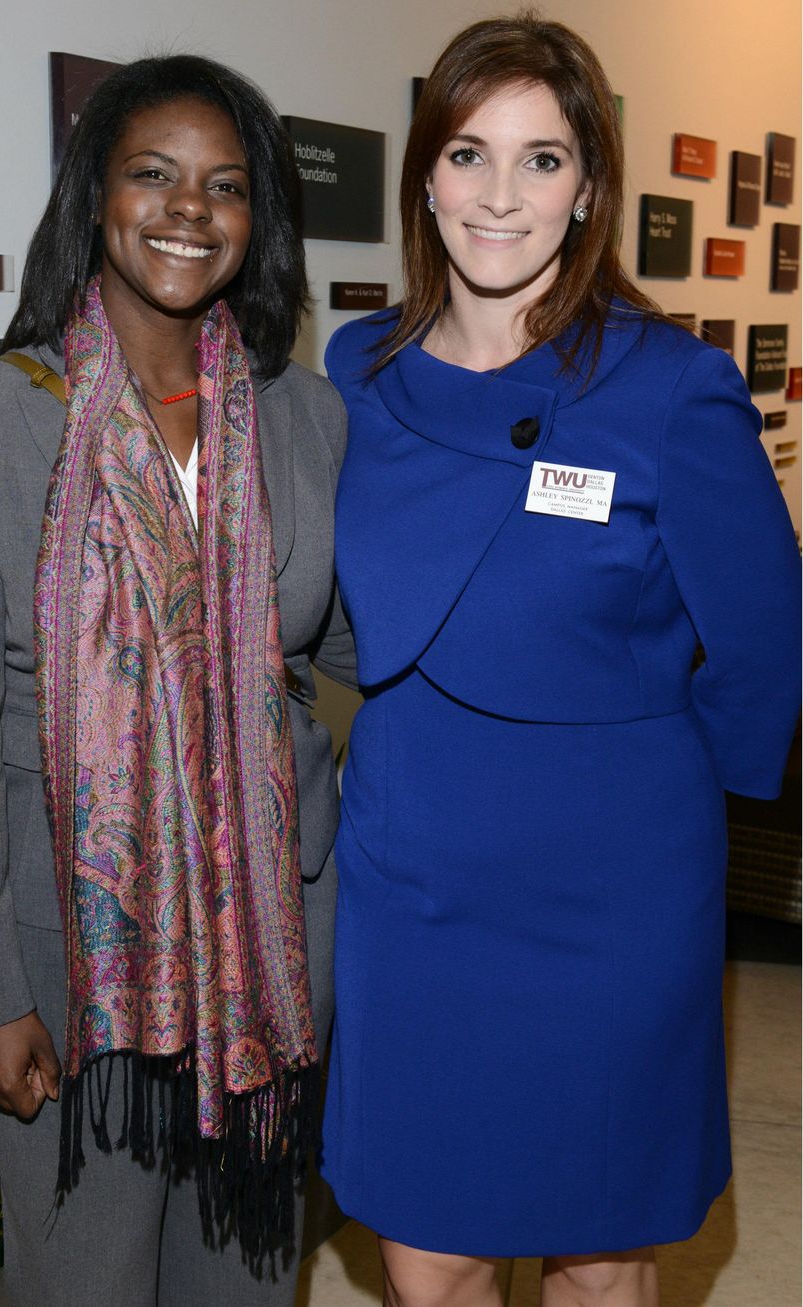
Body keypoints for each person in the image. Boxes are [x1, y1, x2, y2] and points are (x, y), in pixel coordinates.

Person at [321, 14, 800, 1307]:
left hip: (612, 886)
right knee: (429, 1251)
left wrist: (651, 792)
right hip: (412, 870)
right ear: (425, 173)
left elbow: (760, 639)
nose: (499, 194)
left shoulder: (671, 385)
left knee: (600, 1249)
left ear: (590, 186)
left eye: (542, 161)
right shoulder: (354, 369)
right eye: (470, 153)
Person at [0, 54, 355, 1307]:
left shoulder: (306, 417)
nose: (186, 209)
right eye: (153, 174)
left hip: (267, 957)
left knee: (247, 1283)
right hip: (68, 971)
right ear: (95, 192)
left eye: (224, 185)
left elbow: (354, 653)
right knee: (83, 1283)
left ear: (258, 220)